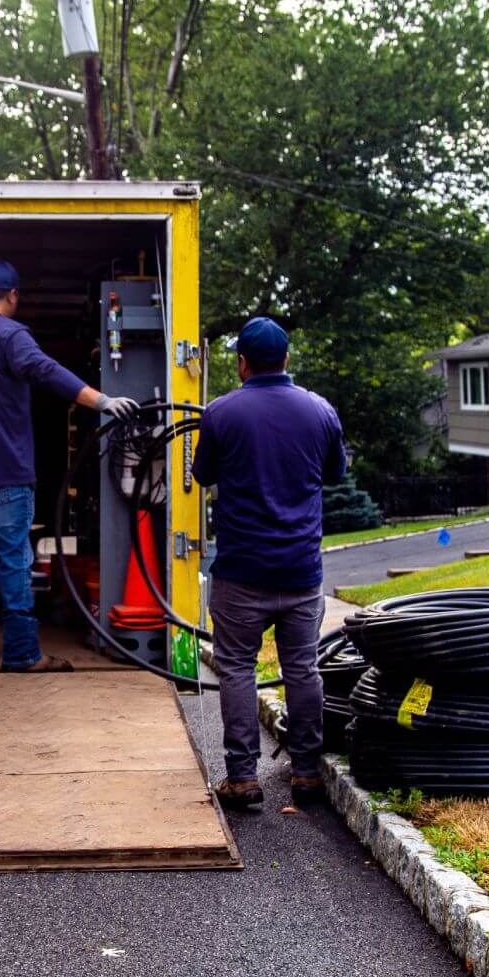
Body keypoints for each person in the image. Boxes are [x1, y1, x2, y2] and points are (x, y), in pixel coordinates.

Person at [0, 259, 138, 672]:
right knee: (14, 561)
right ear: (12, 295)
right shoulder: (8, 333)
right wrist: (103, 401)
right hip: (6, 469)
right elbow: (44, 371)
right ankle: (24, 653)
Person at [191, 316, 348, 809]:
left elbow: (203, 473)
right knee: (302, 668)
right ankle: (306, 772)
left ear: (241, 363)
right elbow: (335, 474)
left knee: (236, 668)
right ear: (285, 359)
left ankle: (242, 778)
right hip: (301, 571)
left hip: (241, 571)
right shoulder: (320, 411)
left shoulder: (220, 412)